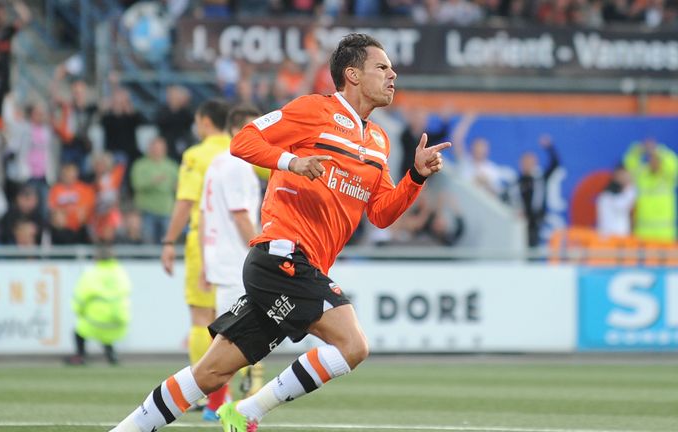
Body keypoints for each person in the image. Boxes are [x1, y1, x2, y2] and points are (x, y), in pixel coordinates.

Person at [109, 33, 450, 432]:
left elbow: (380, 213)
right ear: (352, 75)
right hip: (283, 256)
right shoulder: (313, 110)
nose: (393, 74)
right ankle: (250, 411)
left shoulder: (378, 140)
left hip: (293, 271)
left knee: (210, 374)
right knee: (353, 345)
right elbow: (243, 140)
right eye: (382, 67)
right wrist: (292, 163)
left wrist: (415, 176)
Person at [159, 99, 232, 412]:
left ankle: (203, 391)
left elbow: (186, 201)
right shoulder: (240, 148)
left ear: (204, 122)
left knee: (201, 319)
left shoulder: (196, 155)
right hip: (239, 244)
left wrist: (168, 240)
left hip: (205, 240)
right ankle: (229, 391)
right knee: (230, 320)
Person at [198, 104, 264, 420]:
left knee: (229, 337)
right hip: (237, 262)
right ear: (238, 129)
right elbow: (240, 217)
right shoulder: (238, 164)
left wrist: (203, 264)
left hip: (219, 259)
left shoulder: (217, 163)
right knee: (233, 340)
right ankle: (218, 406)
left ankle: (214, 405)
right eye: (255, 127)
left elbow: (203, 215)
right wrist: (261, 253)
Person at [66, 245, 132, 366]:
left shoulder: (92, 273)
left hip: (95, 319)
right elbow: (127, 292)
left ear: (97, 258)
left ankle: (80, 355)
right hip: (118, 318)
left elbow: (81, 295)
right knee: (106, 335)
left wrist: (78, 311)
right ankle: (111, 354)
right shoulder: (120, 272)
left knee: (79, 331)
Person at [623, 137, 678, 242]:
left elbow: (674, 164)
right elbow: (629, 163)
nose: (654, 162)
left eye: (657, 159)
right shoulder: (642, 176)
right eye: (651, 159)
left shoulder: (667, 178)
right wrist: (640, 149)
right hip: (643, 233)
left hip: (665, 234)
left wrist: (657, 149)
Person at [596, 164, 636, 237]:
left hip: (620, 239)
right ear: (615, 176)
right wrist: (630, 186)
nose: (625, 178)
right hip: (609, 238)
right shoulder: (607, 196)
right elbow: (622, 206)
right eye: (622, 176)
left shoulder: (623, 193)